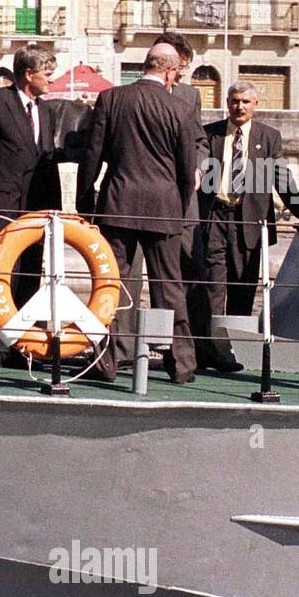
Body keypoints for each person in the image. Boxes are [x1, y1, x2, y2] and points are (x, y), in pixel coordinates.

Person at [77, 43, 199, 383]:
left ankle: (108, 362)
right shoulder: (181, 109)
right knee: (170, 287)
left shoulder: (111, 99)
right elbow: (188, 171)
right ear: (172, 71)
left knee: (112, 286)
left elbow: (93, 156)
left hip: (117, 205)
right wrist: (178, 202)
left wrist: (85, 200)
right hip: (164, 208)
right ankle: (182, 365)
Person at [195, 80, 299, 370]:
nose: (239, 106)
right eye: (234, 101)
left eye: (245, 101)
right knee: (212, 285)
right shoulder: (210, 135)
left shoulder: (268, 137)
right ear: (227, 102)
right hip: (215, 218)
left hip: (248, 222)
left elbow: (281, 178)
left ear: (255, 105)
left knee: (243, 287)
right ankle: (207, 349)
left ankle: (233, 349)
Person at [111, 32, 208, 368]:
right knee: (132, 282)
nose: (181, 73)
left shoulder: (187, 98)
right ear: (169, 67)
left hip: (134, 203)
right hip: (164, 204)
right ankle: (122, 351)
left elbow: (198, 142)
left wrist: (195, 170)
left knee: (164, 285)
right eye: (180, 66)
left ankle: (172, 355)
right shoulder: (139, 100)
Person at [0, 45, 62, 369]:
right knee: (2, 278)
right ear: (28, 74)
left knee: (30, 278)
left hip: (35, 209)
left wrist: (54, 210)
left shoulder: (45, 111)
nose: (52, 80)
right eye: (47, 74)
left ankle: (22, 347)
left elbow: (47, 162)